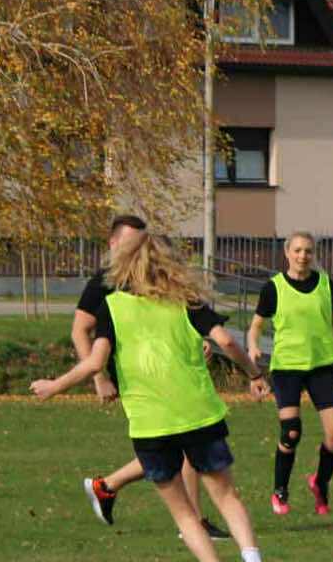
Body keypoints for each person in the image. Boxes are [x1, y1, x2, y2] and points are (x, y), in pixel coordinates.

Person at [31, 232, 290, 562]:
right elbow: (227, 342)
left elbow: (95, 362)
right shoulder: (186, 300)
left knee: (184, 514)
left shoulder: (112, 307)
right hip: (198, 413)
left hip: (150, 424)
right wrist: (254, 373)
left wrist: (55, 386)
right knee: (227, 497)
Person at [73, 214, 229, 539]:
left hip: (167, 375)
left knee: (175, 444)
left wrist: (194, 344)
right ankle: (193, 523)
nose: (141, 248)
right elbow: (80, 330)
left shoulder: (153, 276)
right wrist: (99, 378)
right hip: (136, 381)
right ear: (114, 243)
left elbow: (167, 325)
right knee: (180, 442)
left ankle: (108, 486)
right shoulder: (104, 282)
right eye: (132, 242)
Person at [246, 232, 333, 517]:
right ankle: (280, 489)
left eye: (308, 251)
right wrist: (253, 346)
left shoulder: (326, 284)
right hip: (287, 367)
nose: (302, 256)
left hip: (321, 365)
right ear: (287, 252)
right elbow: (256, 325)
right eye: (297, 250)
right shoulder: (274, 288)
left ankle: (320, 482)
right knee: (291, 432)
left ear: (313, 254)